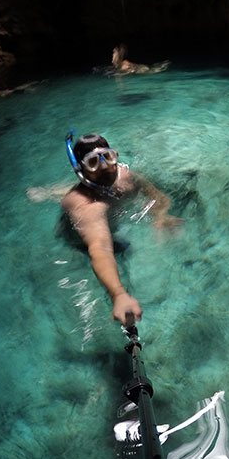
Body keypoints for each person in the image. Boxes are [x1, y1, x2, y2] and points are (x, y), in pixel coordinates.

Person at [60, 132, 181, 326]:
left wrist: (160, 216)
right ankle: (55, 192)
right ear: (80, 170)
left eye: (108, 157)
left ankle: (52, 190)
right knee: (119, 250)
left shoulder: (126, 177)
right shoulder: (85, 206)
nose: (105, 167)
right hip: (79, 239)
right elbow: (100, 247)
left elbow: (158, 197)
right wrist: (118, 294)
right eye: (93, 163)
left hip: (109, 218)